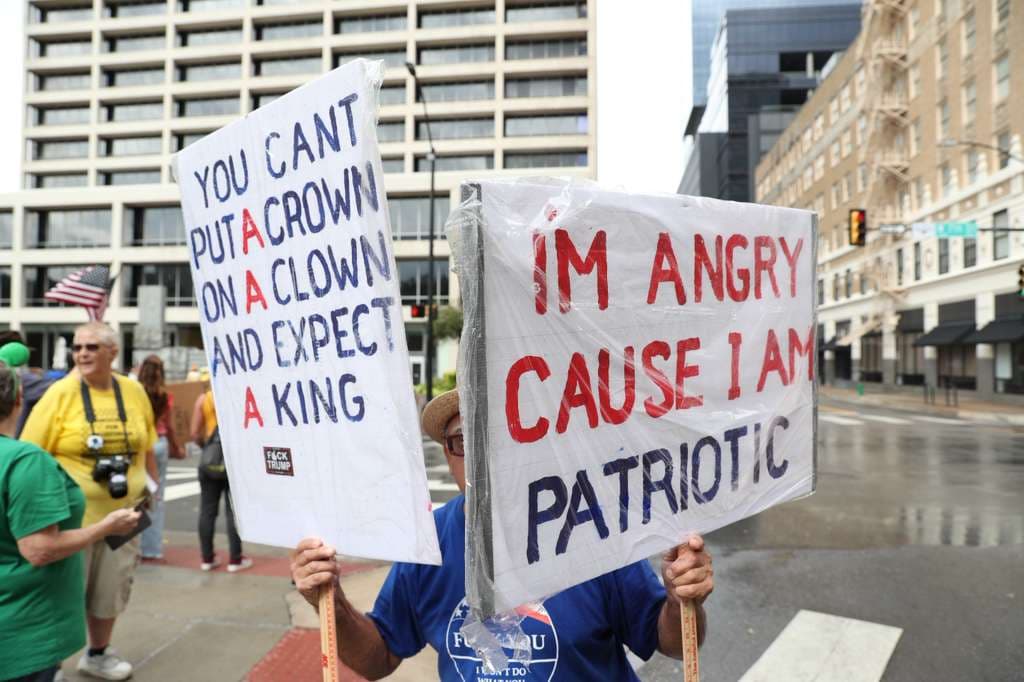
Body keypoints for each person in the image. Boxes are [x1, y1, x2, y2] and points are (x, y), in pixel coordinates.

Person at [291, 389, 714, 681]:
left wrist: (681, 600)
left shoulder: (592, 525)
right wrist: (332, 603)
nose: (481, 456)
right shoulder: (432, 541)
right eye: (462, 440)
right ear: (448, 455)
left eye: (497, 435)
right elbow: (378, 656)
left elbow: (675, 642)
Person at [21, 323, 158, 681]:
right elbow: (32, 454)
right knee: (63, 594)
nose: (82, 353)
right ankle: (51, 665)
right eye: (78, 347)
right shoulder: (60, 393)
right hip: (74, 520)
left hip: (125, 516)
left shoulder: (133, 391)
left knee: (111, 590)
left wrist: (152, 490)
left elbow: (146, 444)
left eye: (92, 347)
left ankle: (98, 653)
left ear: (113, 352)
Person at [190, 389, 251, 573]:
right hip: (234, 461)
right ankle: (235, 559)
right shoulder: (237, 394)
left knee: (207, 511)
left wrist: (207, 447)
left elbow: (194, 433)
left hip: (210, 462)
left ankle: (207, 558)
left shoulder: (205, 398)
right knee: (233, 511)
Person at [138, 355, 185, 562]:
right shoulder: (165, 396)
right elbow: (171, 426)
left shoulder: (136, 393)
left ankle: (135, 545)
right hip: (160, 443)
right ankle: (152, 548)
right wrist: (177, 447)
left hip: (141, 445)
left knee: (138, 496)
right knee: (156, 497)